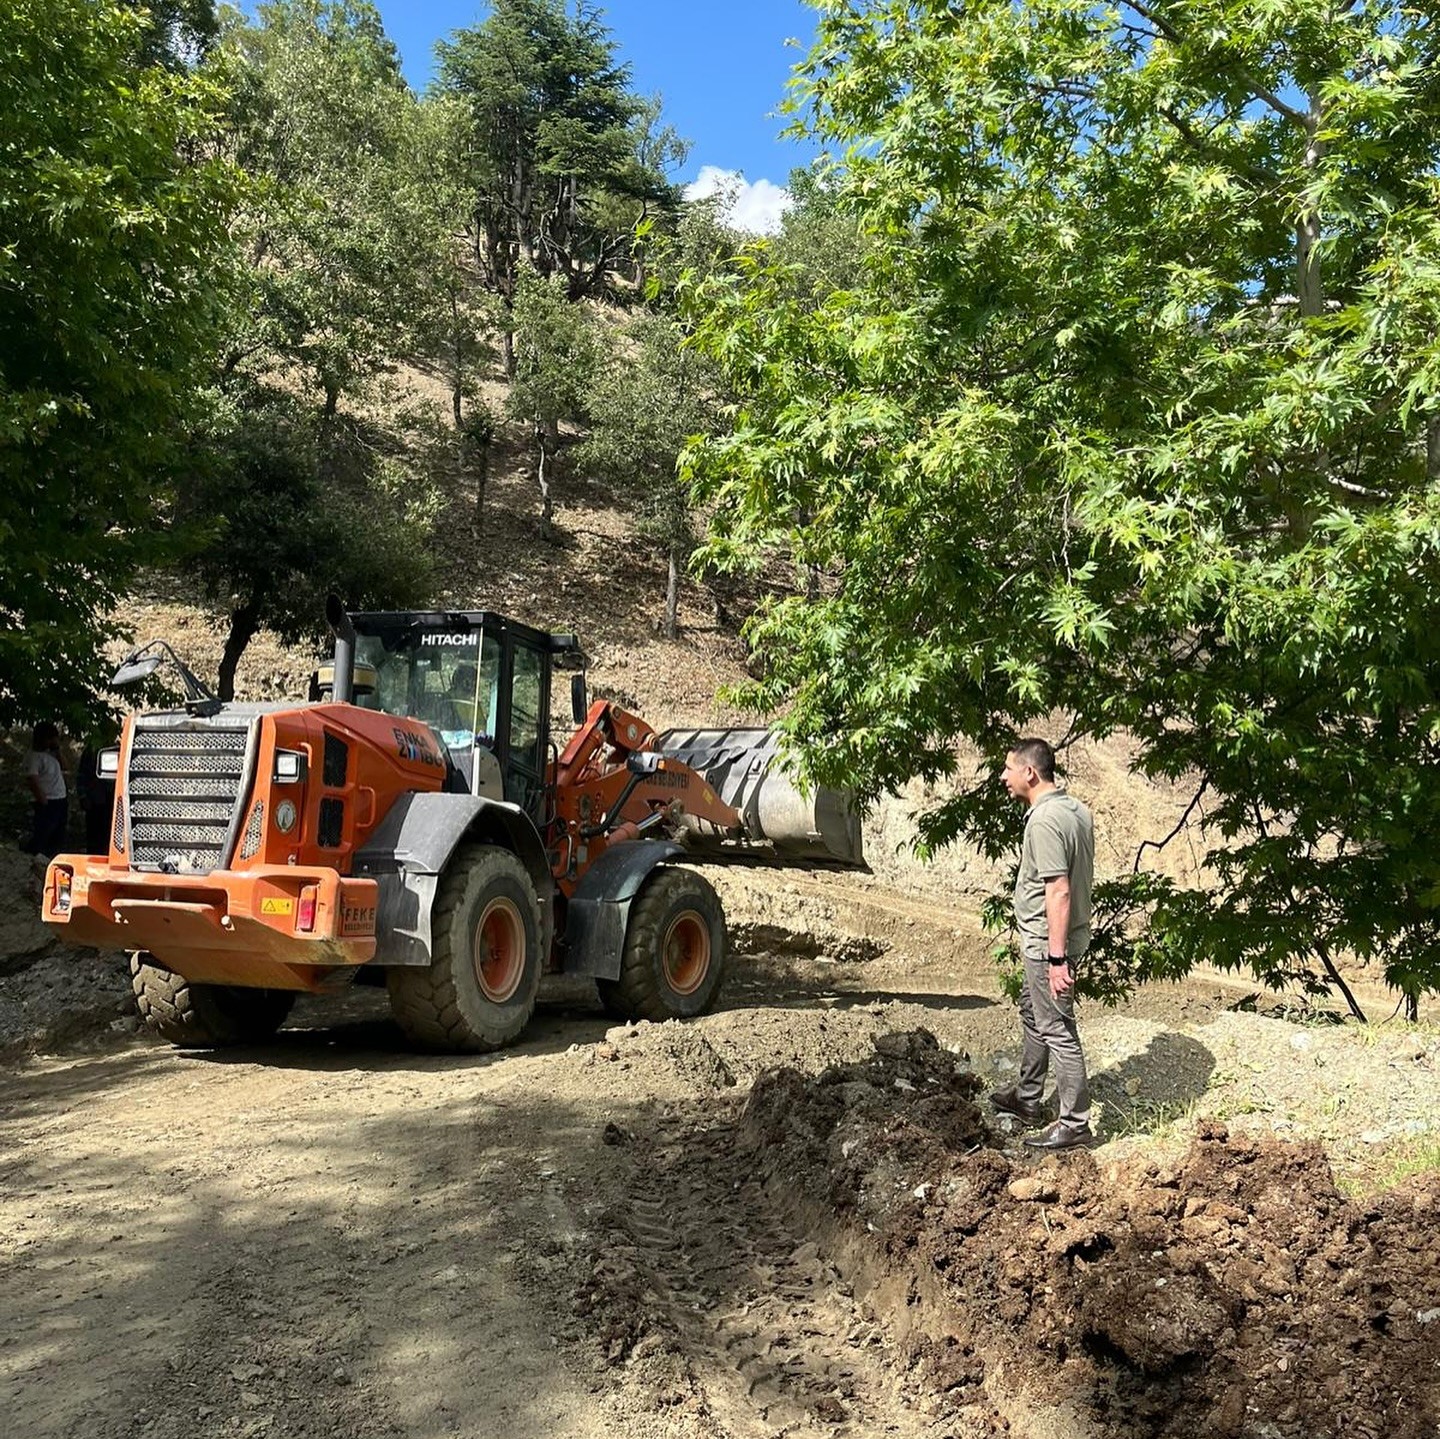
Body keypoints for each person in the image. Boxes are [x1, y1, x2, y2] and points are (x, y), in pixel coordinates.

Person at [990, 737, 1097, 1151]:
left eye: (1008, 769)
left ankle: (1074, 1123)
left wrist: (1056, 959)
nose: (1003, 776)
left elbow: (1059, 891)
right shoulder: (1076, 810)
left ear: (1029, 773)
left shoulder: (1045, 821)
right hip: (1059, 938)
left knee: (1056, 1025)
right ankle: (1028, 1098)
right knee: (1033, 1012)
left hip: (1048, 943)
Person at [24, 721, 69, 861]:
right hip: (48, 800)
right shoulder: (33, 756)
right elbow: (32, 779)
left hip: (60, 798)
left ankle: (54, 858)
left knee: (58, 833)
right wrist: (42, 799)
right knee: (44, 832)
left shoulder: (51, 754)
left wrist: (58, 751)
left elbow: (66, 767)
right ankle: (35, 856)